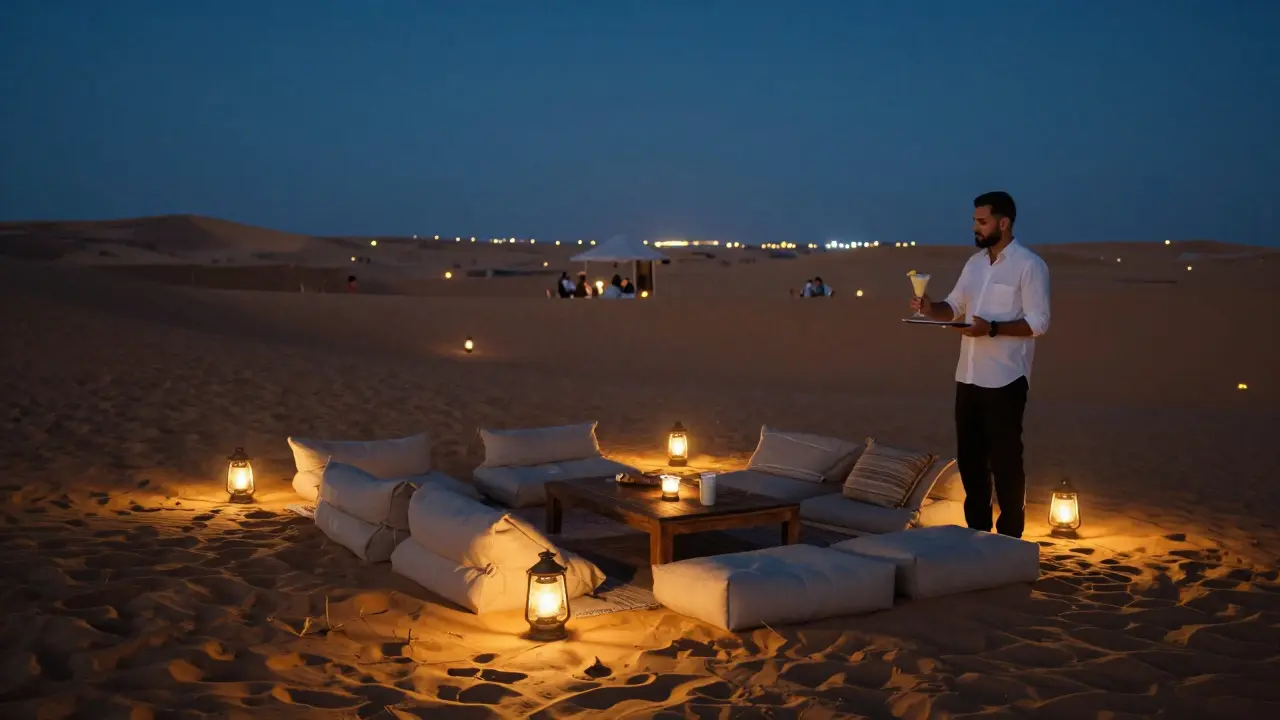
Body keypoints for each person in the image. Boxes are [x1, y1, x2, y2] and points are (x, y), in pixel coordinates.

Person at [910, 191, 1050, 538]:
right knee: (971, 464)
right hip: (968, 377)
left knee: (1005, 464)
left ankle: (1009, 540)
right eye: (974, 221)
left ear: (1003, 223)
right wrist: (930, 308)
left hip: (1005, 379)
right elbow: (954, 306)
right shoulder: (973, 265)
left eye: (982, 221)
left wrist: (993, 329)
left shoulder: (1029, 265)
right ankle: (975, 535)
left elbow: (1039, 323)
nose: (975, 227)